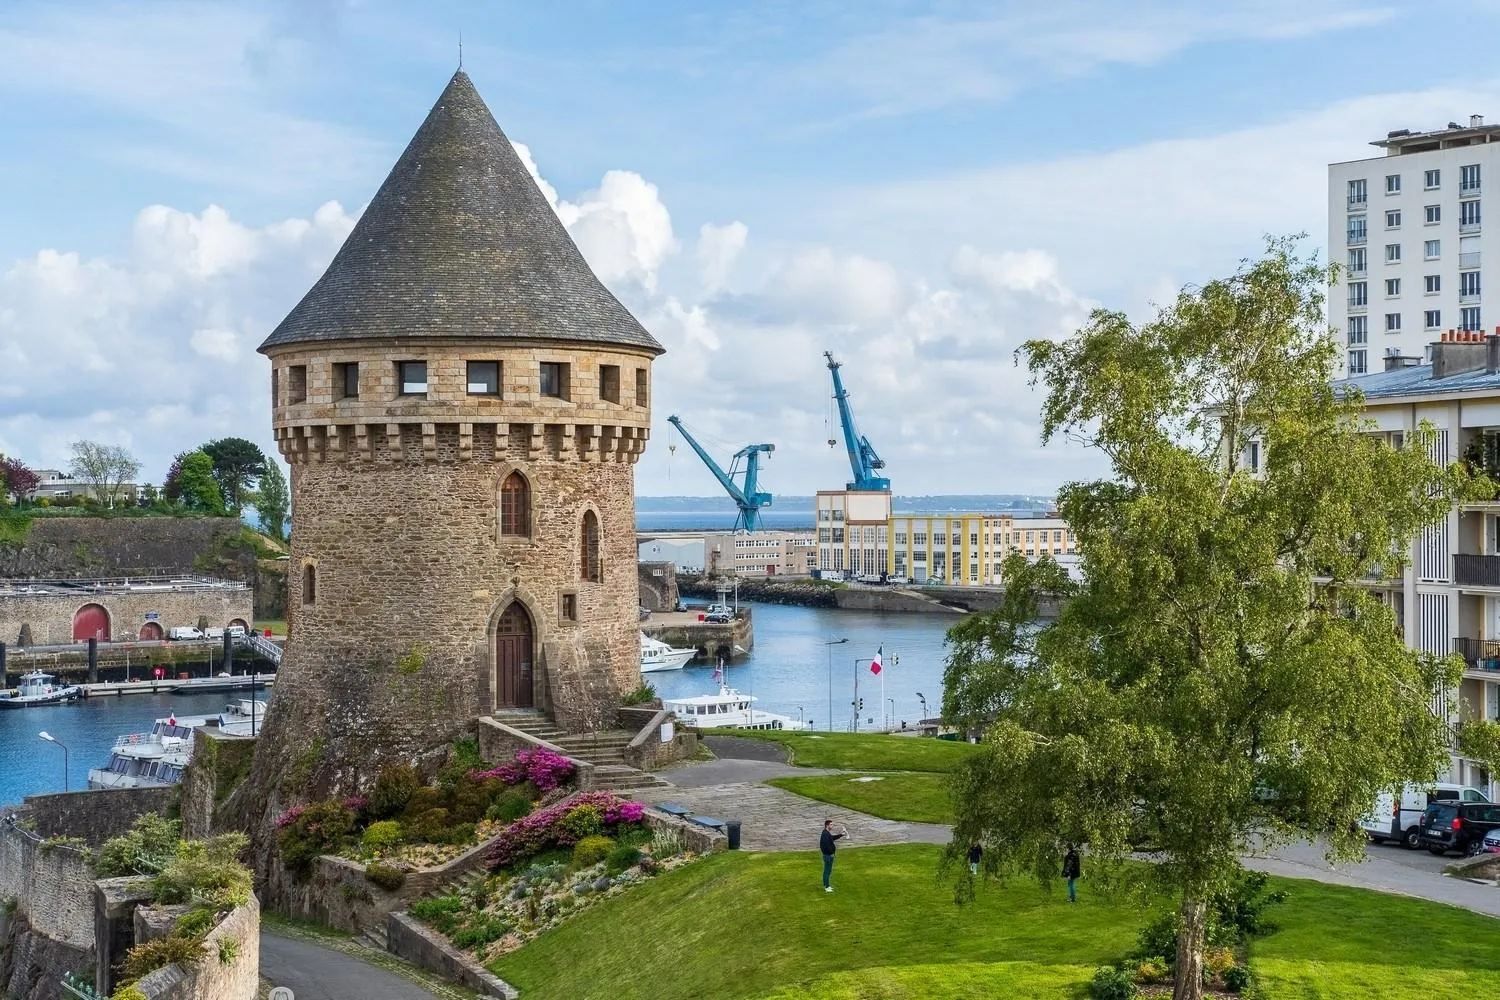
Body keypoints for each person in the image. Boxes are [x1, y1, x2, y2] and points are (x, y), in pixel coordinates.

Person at [820, 819, 846, 892]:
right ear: (827, 825)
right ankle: (826, 886)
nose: (832, 826)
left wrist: (841, 835)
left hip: (829, 855)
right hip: (828, 856)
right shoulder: (825, 834)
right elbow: (824, 846)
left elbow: (832, 838)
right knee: (827, 871)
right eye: (831, 824)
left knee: (828, 870)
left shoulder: (827, 833)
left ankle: (827, 885)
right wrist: (831, 853)